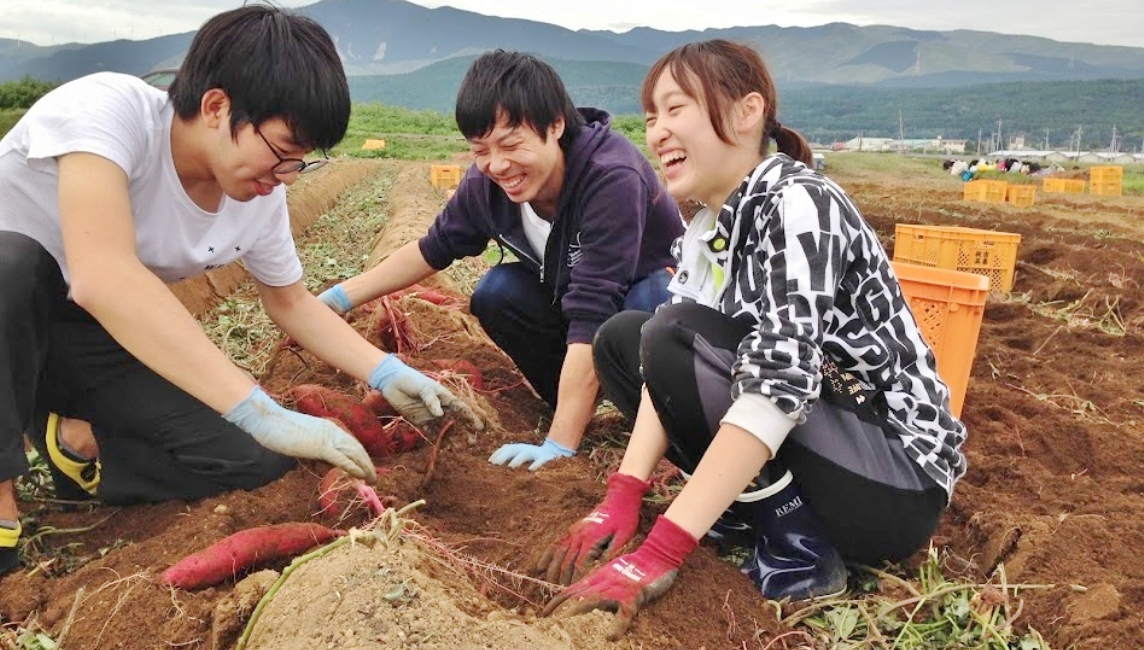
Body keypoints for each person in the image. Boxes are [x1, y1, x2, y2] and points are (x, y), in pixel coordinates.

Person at [0, 4, 478, 576]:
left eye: (299, 162)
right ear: (217, 105)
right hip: (12, 307)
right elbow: (102, 274)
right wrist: (253, 405)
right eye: (281, 150)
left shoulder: (259, 197)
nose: (285, 175)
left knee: (252, 461)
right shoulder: (107, 111)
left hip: (81, 332)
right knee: (13, 264)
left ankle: (76, 441)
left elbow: (291, 302)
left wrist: (386, 372)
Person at [540, 40, 967, 638]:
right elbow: (665, 371)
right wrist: (624, 494)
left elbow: (777, 383)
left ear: (746, 113)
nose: (658, 131)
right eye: (651, 116)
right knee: (623, 339)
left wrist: (661, 549)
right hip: (827, 447)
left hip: (893, 481)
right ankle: (754, 510)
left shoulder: (798, 203)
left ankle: (801, 547)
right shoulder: (709, 228)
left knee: (668, 333)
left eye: (675, 108)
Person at [318, 51, 683, 471]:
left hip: (649, 300)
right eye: (481, 149)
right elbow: (431, 249)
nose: (497, 165)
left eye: (511, 145)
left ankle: (660, 426)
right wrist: (338, 298)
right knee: (496, 292)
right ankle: (572, 404)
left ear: (556, 126)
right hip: (573, 300)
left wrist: (559, 447)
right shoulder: (484, 184)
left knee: (647, 306)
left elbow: (594, 309)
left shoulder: (610, 178)